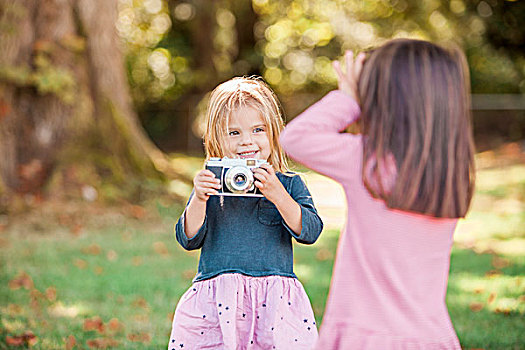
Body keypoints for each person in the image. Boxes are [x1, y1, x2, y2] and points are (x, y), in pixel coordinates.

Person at [280, 39, 475, 349]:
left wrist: (347, 99)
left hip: (365, 337)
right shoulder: (450, 172)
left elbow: (295, 138)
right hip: (432, 337)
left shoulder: (366, 163)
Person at [168, 76, 324, 349]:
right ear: (217, 138)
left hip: (273, 304)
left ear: (273, 132)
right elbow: (187, 238)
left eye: (257, 130)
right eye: (234, 133)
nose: (246, 142)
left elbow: (310, 231)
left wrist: (278, 195)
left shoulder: (288, 183)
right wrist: (199, 199)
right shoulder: (213, 183)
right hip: (219, 300)